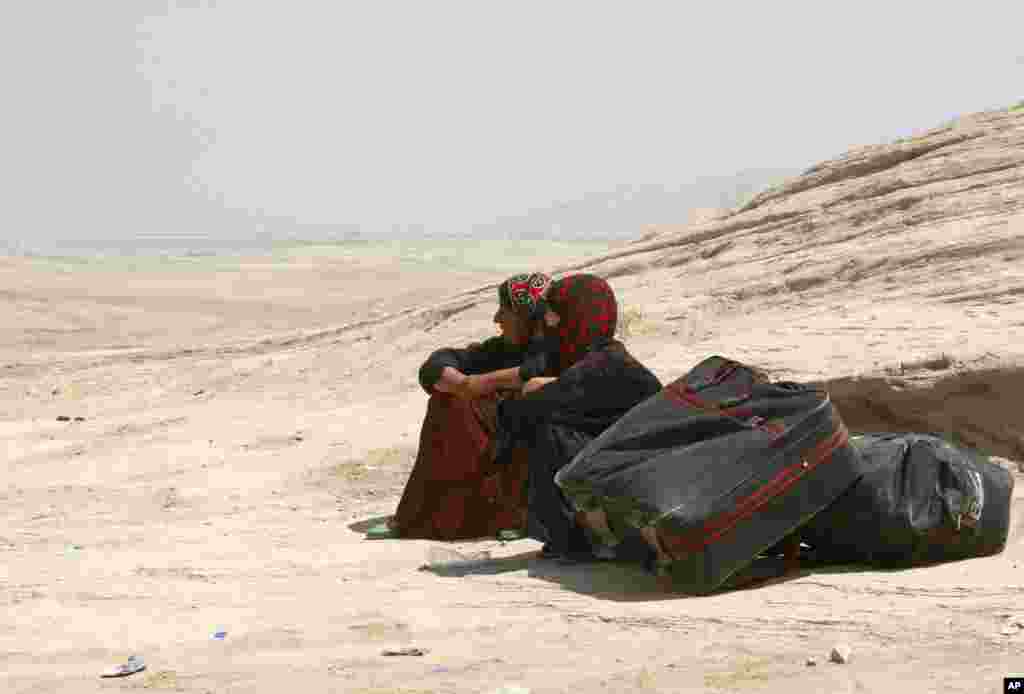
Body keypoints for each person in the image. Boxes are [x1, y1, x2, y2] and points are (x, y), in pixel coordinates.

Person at [494, 274, 663, 561]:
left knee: (548, 431)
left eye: (555, 315)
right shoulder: (596, 356)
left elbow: (520, 413)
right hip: (623, 475)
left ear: (577, 316)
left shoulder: (605, 364)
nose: (548, 323)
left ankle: (580, 540)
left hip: (638, 484)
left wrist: (533, 388)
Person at [386, 272, 555, 540]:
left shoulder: (561, 353)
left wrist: (482, 383)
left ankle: (508, 515)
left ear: (527, 316)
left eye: (505, 310)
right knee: (447, 400)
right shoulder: (501, 350)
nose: (496, 319)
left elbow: (535, 371)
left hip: (532, 469)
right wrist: (464, 383)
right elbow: (437, 364)